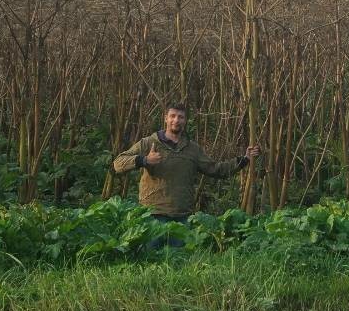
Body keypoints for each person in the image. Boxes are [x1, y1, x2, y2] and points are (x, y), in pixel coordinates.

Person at [112, 103, 261, 243]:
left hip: (182, 217)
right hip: (152, 216)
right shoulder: (148, 143)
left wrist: (245, 159)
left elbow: (216, 169)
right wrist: (144, 160)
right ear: (166, 118)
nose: (176, 120)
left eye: (180, 117)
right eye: (172, 116)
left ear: (185, 121)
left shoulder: (192, 149)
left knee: (179, 263)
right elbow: (118, 163)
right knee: (150, 263)